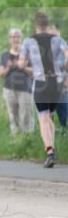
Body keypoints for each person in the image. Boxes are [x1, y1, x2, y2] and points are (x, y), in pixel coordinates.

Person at [19, 11, 68, 168]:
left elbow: (21, 64)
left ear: (36, 25)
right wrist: (63, 67)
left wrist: (29, 69)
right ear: (47, 24)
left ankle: (50, 152)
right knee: (50, 116)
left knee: (43, 118)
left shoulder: (28, 41)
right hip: (56, 83)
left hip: (41, 82)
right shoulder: (58, 39)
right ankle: (52, 150)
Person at [0, 28, 34, 135]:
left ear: (21, 38)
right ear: (10, 39)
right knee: (13, 116)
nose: (16, 39)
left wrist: (23, 67)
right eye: (13, 37)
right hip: (9, 89)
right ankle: (16, 140)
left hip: (25, 89)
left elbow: (35, 71)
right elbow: (1, 74)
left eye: (18, 36)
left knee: (26, 115)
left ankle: (27, 140)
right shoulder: (5, 55)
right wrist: (8, 67)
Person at [49, 26, 68, 132]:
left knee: (64, 111)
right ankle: (51, 133)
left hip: (62, 85)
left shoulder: (64, 47)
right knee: (48, 112)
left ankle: (64, 130)